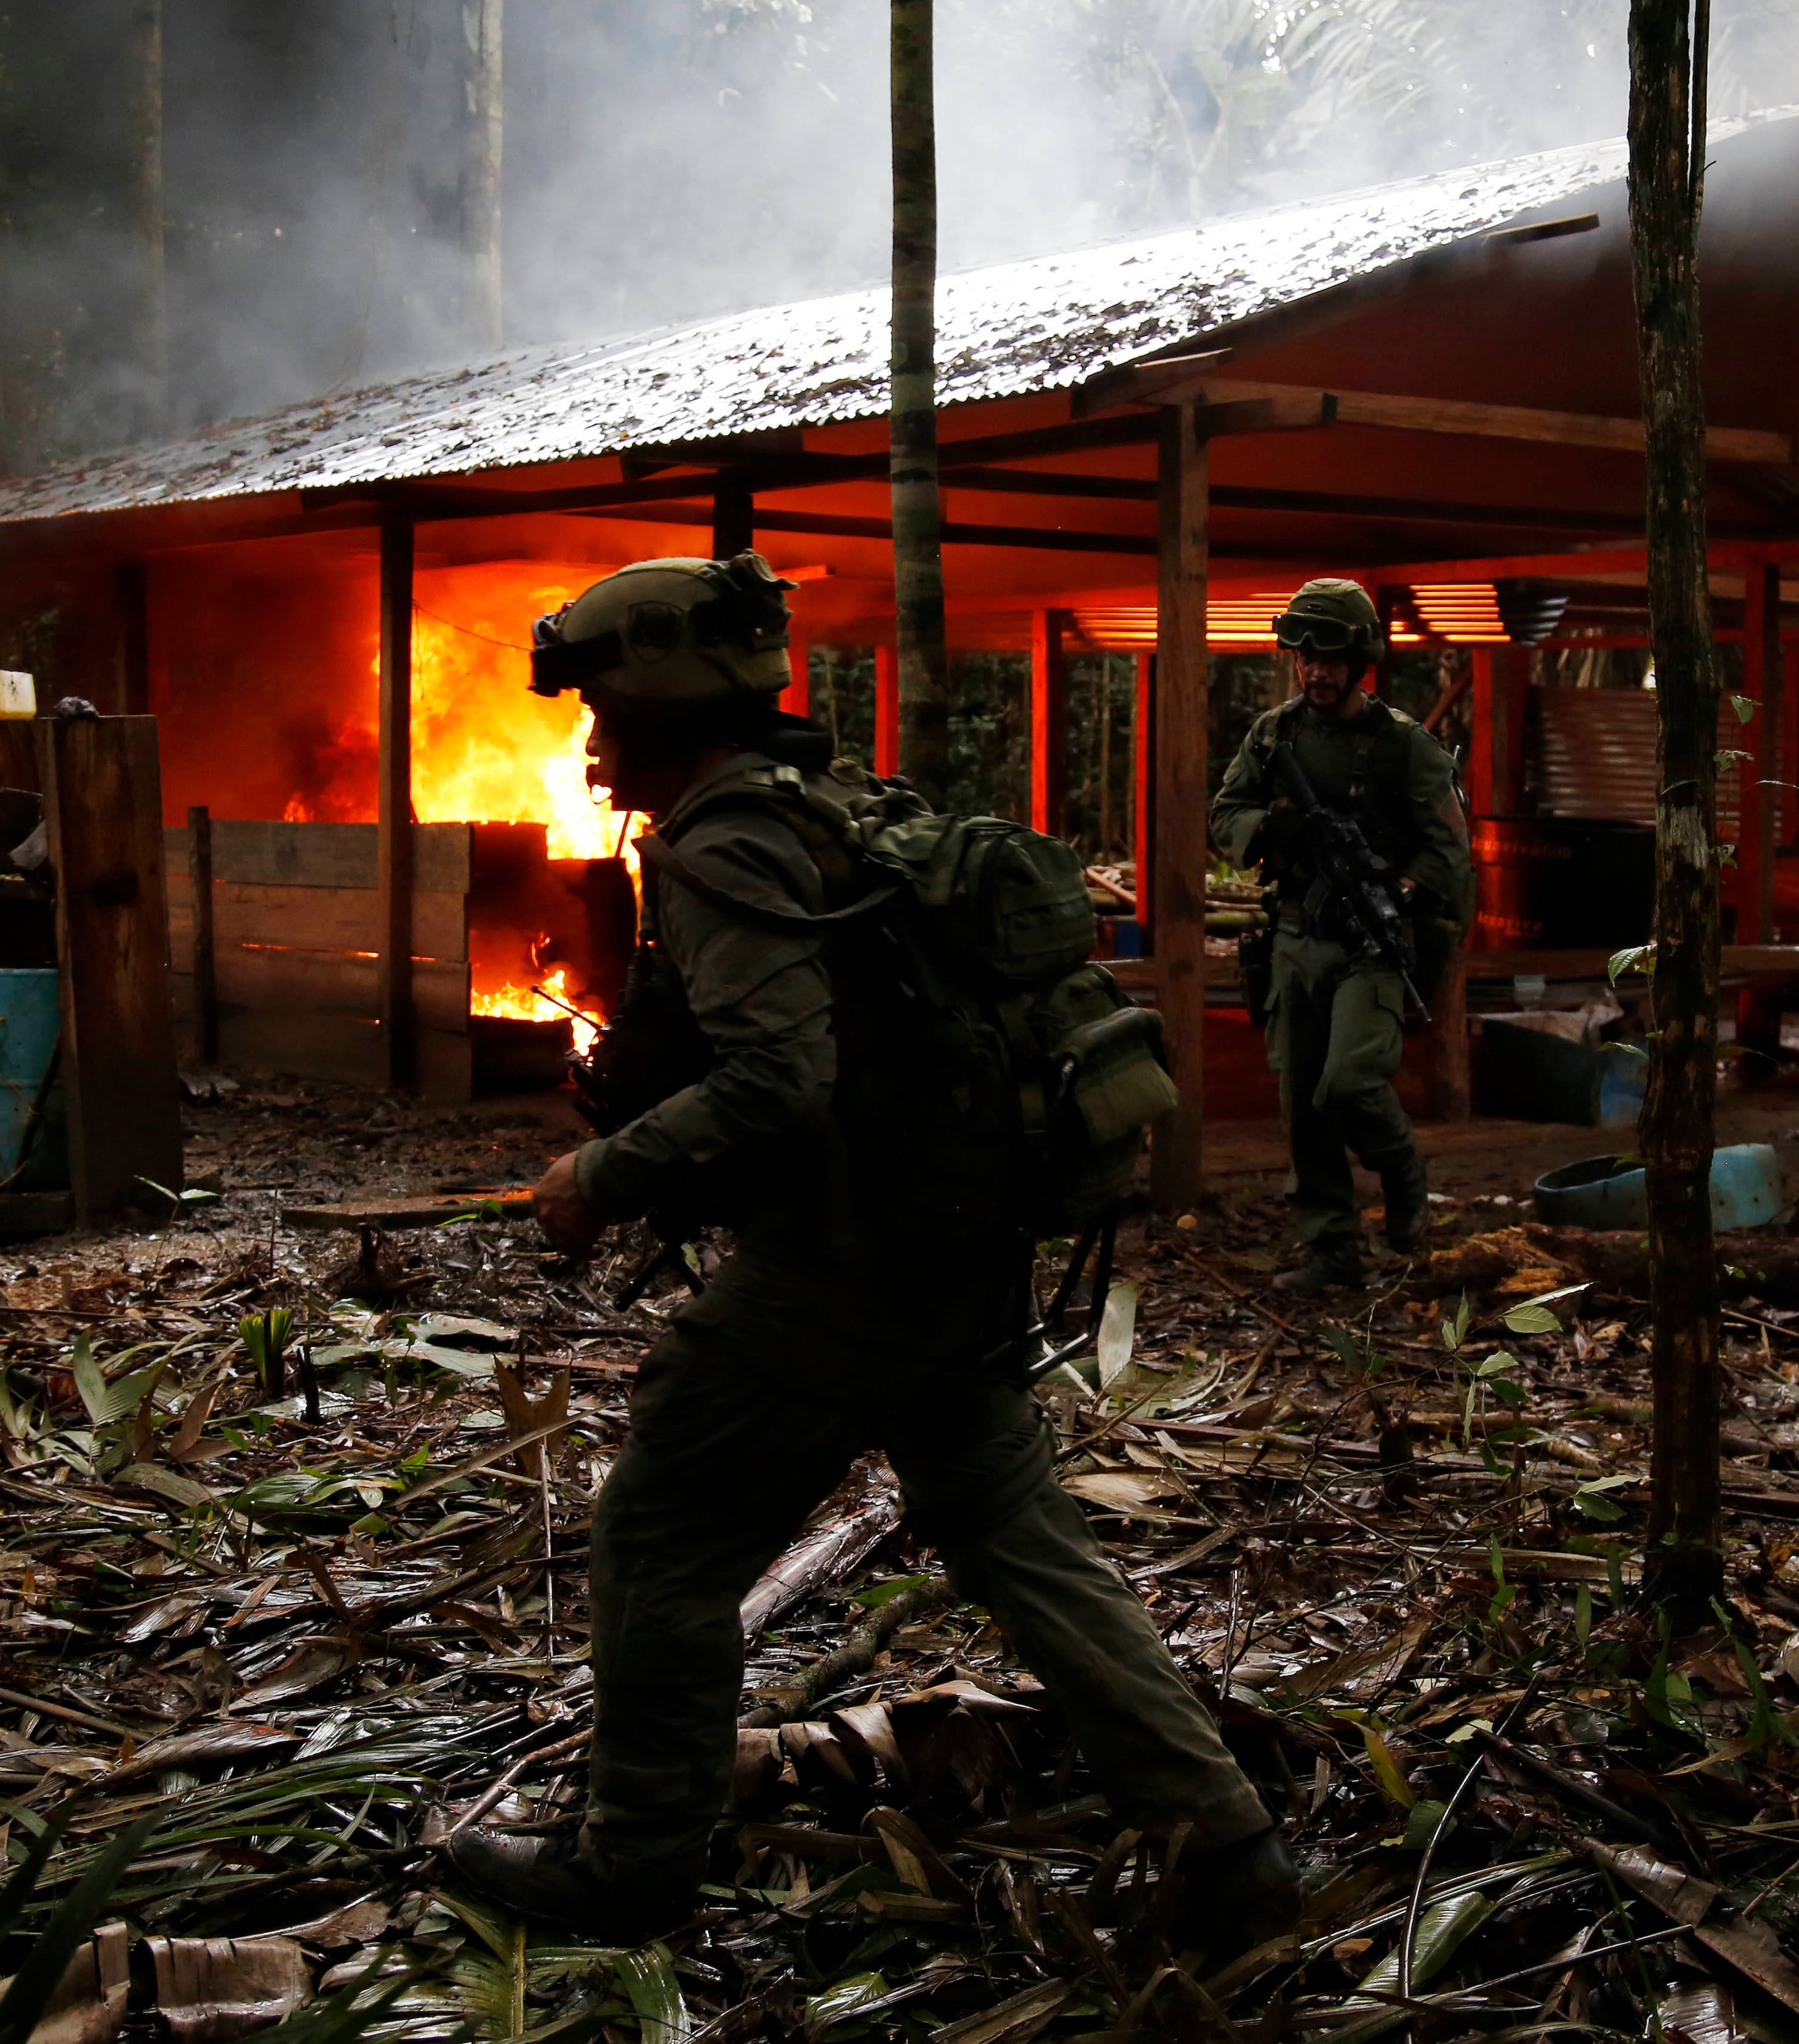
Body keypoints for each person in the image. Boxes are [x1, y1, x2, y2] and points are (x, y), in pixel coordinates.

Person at [443, 552, 1298, 1954]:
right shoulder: (833, 806)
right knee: (1019, 1535)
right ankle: (1228, 1839)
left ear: (656, 700)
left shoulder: (724, 840)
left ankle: (632, 1864)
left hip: (843, 1267)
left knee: (657, 1532)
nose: (589, 738)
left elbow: (779, 1082)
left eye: (598, 701)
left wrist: (597, 1176)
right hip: (962, 1248)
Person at [1208, 580, 1472, 1293]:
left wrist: (1400, 888)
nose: (1314, 671)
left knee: (1350, 1081)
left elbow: (1449, 850)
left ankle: (1401, 1168)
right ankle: (1332, 1248)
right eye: (1304, 656)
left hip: (1369, 943)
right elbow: (1224, 809)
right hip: (1295, 937)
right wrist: (1267, 829)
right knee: (1301, 1102)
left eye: (1329, 657)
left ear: (1359, 662)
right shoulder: (1273, 735)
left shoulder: (1404, 747)